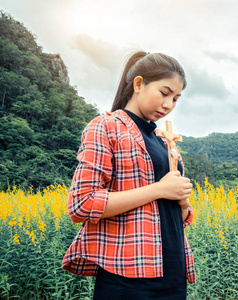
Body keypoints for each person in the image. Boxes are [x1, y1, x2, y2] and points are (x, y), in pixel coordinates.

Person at [62, 51, 195, 300]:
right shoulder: (105, 127)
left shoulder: (164, 142)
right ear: (138, 84)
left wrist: (184, 202)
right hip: (127, 276)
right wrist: (159, 189)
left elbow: (178, 215)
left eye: (176, 99)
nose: (169, 105)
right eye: (164, 93)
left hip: (174, 273)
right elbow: (82, 204)